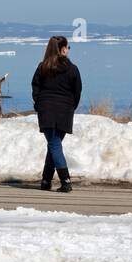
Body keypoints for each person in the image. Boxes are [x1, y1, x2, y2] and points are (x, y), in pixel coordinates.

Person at [30, 35, 81, 192]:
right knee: (54, 144)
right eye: (68, 47)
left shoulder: (42, 67)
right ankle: (48, 181)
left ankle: (63, 181)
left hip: (47, 110)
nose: (69, 50)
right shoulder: (72, 69)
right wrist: (72, 106)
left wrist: (38, 103)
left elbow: (35, 87)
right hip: (65, 111)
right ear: (63, 49)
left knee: (54, 144)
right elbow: (77, 90)